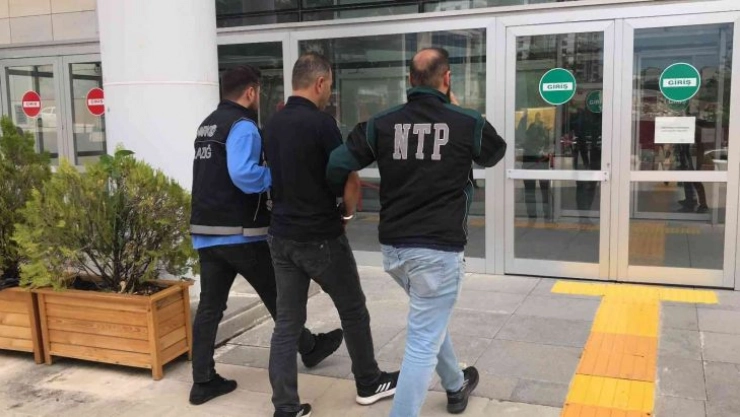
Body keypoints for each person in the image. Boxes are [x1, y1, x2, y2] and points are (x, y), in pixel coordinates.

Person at [326, 47, 507, 416]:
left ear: (409, 80)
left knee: (429, 319)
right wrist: (455, 105)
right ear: (447, 79)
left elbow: (337, 162)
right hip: (437, 252)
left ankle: (455, 384)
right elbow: (494, 153)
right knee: (423, 340)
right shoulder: (466, 121)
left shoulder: (382, 123)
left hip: (395, 251)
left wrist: (340, 206)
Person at [188, 65, 343, 406]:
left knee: (210, 307)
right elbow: (243, 174)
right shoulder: (242, 125)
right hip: (240, 232)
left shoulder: (207, 124)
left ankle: (203, 380)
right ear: (251, 92)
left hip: (207, 231)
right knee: (280, 299)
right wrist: (278, 175)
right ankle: (309, 348)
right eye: (258, 92)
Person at [263, 53, 400, 417]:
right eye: (329, 87)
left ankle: (285, 407)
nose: (329, 94)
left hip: (281, 236)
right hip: (320, 234)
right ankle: (369, 382)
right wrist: (347, 214)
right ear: (320, 83)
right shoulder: (322, 123)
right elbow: (350, 179)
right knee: (352, 309)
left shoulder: (272, 124)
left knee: (287, 322)